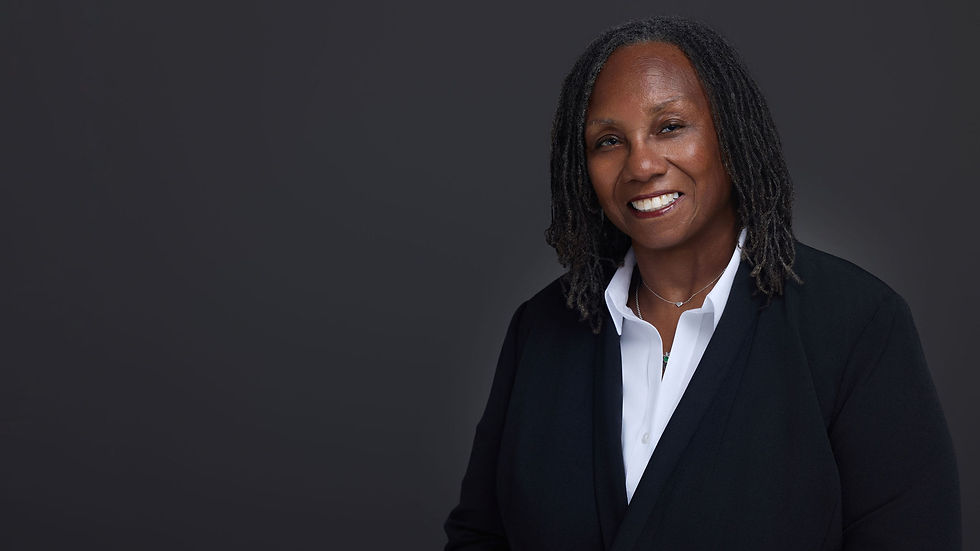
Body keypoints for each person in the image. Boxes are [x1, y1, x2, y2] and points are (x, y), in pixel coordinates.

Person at [444, 16, 960, 551]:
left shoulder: (857, 324)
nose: (641, 165)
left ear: (730, 136)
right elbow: (480, 535)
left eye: (670, 127)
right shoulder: (541, 329)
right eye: (609, 140)